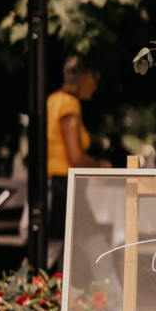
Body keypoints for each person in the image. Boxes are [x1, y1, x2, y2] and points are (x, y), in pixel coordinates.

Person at [47, 55, 111, 242]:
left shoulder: (53, 100)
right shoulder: (69, 104)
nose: (95, 87)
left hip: (55, 187)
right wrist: (102, 166)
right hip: (64, 188)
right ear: (84, 77)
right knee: (93, 246)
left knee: (56, 252)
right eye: (95, 80)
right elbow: (76, 157)